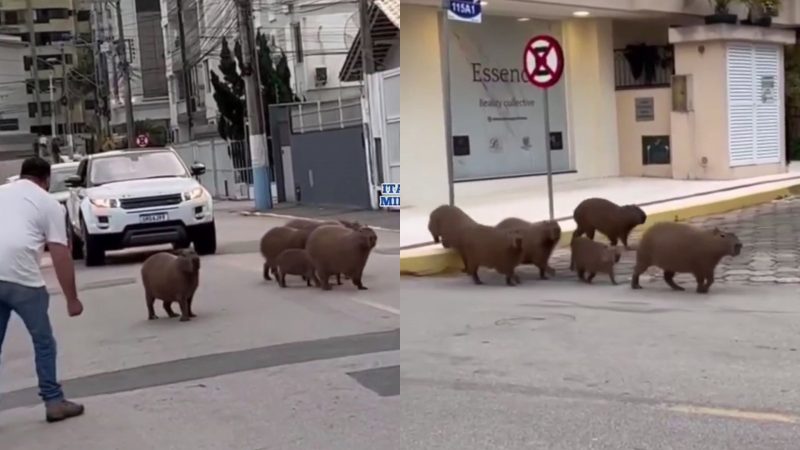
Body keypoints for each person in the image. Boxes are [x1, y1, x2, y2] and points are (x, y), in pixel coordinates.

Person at [0, 157, 84, 423]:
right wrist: (72, 299)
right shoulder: (49, 203)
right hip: (23, 280)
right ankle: (54, 401)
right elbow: (60, 253)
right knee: (43, 341)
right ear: (46, 180)